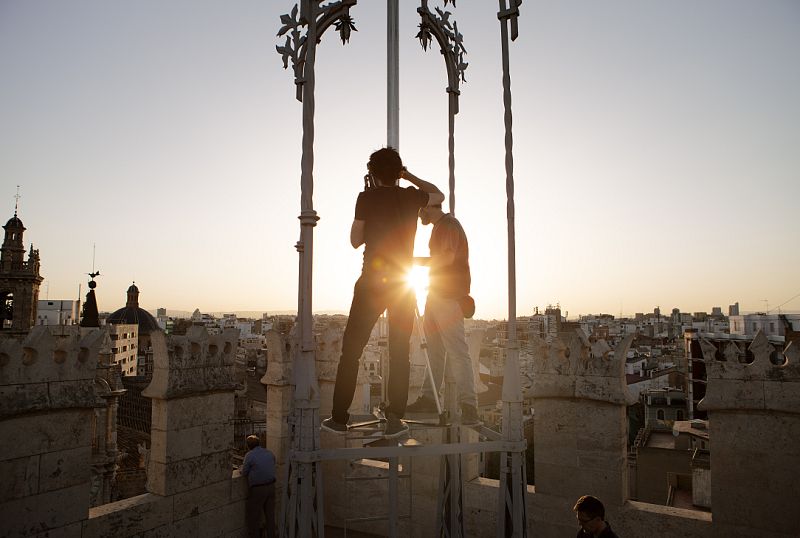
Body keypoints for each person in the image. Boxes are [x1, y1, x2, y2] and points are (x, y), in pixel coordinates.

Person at [322, 147, 444, 438]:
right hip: (403, 285)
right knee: (400, 353)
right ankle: (394, 419)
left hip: (372, 283)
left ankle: (339, 418)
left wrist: (370, 204)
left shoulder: (366, 198)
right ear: (397, 173)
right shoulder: (411, 196)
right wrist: (408, 176)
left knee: (351, 352)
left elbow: (355, 241)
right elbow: (437, 195)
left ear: (373, 174)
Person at [406, 203, 479, 425]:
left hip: (448, 297)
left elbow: (446, 259)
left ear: (427, 207)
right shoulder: (441, 226)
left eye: (419, 212)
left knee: (456, 351)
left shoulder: (448, 225)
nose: (419, 219)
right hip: (437, 295)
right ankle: (429, 398)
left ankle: (469, 406)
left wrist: (413, 261)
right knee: (435, 350)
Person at [241, 435, 276, 538]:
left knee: (254, 517)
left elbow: (244, 472)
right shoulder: (269, 453)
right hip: (271, 487)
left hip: (258, 489)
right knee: (270, 517)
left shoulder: (249, 455)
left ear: (248, 446)